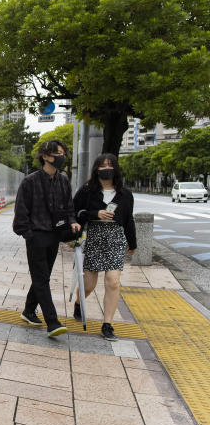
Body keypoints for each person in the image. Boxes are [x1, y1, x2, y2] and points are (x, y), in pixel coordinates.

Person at [12, 139, 81, 337]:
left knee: (42, 277)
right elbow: (21, 212)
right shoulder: (30, 181)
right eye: (56, 153)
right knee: (42, 279)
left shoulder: (63, 180)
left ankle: (28, 310)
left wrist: (72, 221)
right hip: (36, 236)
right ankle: (53, 322)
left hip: (54, 235)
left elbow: (69, 208)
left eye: (63, 153)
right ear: (45, 156)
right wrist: (28, 234)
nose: (60, 157)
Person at [72, 154, 136, 341]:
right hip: (94, 237)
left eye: (110, 165)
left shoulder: (125, 194)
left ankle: (107, 324)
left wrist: (132, 243)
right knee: (89, 284)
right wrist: (95, 214)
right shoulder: (87, 190)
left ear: (116, 169)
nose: (106, 168)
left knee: (113, 281)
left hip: (115, 238)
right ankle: (79, 302)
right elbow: (75, 212)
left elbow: (129, 220)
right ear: (96, 169)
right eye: (102, 165)